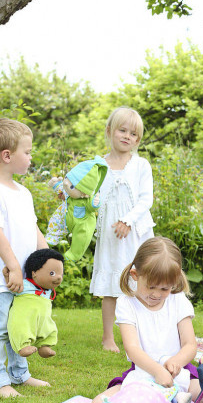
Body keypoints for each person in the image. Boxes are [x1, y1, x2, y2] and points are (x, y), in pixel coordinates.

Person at [0, 118, 51, 398]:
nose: (31, 158)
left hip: (26, 278)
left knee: (20, 326)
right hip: (4, 277)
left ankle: (20, 374)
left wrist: (48, 259)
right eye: (27, 152)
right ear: (7, 156)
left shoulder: (23, 193)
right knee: (0, 329)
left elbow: (33, 229)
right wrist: (14, 268)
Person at [90, 237, 200, 403]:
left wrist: (176, 362)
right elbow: (132, 348)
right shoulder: (127, 304)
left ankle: (166, 402)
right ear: (135, 275)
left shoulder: (178, 301)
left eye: (165, 289)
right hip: (144, 372)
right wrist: (157, 371)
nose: (156, 294)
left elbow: (190, 344)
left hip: (179, 372)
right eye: (150, 287)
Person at [89, 106, 155, 353]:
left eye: (134, 134)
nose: (128, 136)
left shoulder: (141, 165)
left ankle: (141, 335)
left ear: (138, 139)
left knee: (141, 281)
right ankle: (108, 338)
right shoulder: (98, 165)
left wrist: (128, 221)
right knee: (112, 285)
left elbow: (146, 199)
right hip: (111, 234)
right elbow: (89, 196)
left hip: (136, 232)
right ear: (110, 131)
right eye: (122, 130)